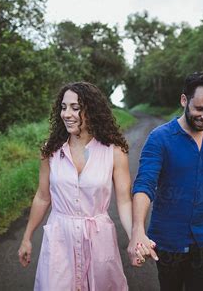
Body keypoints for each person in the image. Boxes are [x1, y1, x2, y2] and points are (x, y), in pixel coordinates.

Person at [18, 82, 133, 291]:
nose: (66, 114)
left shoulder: (114, 152)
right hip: (60, 239)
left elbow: (124, 200)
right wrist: (27, 237)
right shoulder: (50, 151)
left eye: (75, 107)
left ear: (92, 110)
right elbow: (43, 197)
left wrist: (134, 237)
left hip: (100, 239)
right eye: (63, 107)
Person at [127, 72, 203, 291]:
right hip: (168, 243)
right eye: (199, 109)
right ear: (184, 100)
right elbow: (145, 185)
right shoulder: (159, 137)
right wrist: (138, 230)